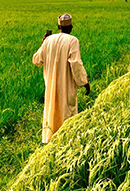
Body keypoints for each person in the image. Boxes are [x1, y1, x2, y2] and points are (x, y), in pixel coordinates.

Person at [32, 13, 90, 143]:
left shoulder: (48, 40)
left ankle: (51, 142)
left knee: (52, 113)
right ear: (71, 27)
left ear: (58, 26)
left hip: (51, 86)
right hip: (66, 86)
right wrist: (85, 82)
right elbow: (75, 63)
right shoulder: (72, 40)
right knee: (67, 114)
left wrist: (43, 44)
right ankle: (66, 142)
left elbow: (36, 60)